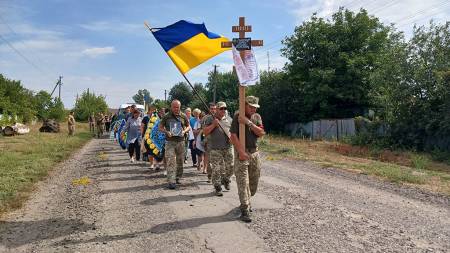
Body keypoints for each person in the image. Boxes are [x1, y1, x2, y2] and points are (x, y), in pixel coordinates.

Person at [230, 96, 265, 222]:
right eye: (251, 106)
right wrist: (240, 152)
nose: (253, 109)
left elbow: (261, 133)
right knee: (243, 182)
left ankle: (247, 200)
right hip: (242, 153)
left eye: (255, 107)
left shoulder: (257, 117)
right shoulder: (237, 116)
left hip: (254, 153)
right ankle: (245, 209)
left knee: (253, 184)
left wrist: (248, 122)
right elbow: (233, 136)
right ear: (244, 105)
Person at [203, 102, 234, 196]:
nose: (223, 110)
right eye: (221, 109)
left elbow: (233, 132)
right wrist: (213, 125)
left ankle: (226, 179)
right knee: (216, 169)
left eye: (225, 108)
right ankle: (217, 187)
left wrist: (233, 138)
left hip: (228, 147)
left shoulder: (229, 119)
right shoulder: (209, 119)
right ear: (216, 109)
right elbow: (205, 132)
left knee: (231, 166)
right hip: (215, 148)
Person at [159, 100, 191, 189]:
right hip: (170, 142)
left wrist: (184, 131)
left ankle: (178, 177)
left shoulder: (183, 116)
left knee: (180, 161)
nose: (176, 109)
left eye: (178, 107)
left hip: (180, 141)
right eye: (174, 107)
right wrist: (166, 131)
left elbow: (189, 127)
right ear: (171, 107)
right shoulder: (166, 116)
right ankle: (171, 181)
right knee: (170, 161)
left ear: (180, 107)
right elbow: (160, 127)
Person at [202, 102, 217, 183]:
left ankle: (218, 177)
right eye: (212, 109)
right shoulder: (206, 118)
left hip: (219, 142)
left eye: (215, 109)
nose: (213, 110)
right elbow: (204, 131)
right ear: (209, 109)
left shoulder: (220, 117)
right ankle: (209, 176)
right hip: (209, 141)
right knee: (210, 160)